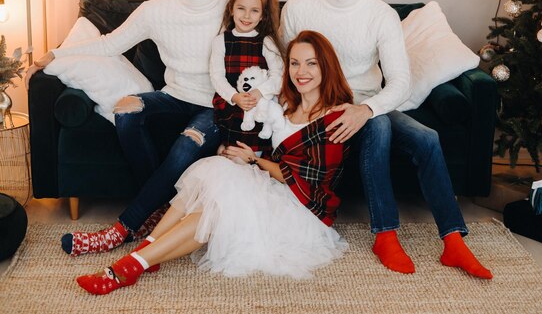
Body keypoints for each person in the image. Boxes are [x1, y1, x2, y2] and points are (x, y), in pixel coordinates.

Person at [280, 0, 492, 279]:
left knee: (427, 138)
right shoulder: (299, 9)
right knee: (378, 125)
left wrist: (364, 109)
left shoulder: (380, 14)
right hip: (322, 110)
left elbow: (400, 82)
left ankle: (454, 240)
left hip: (368, 104)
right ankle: (385, 234)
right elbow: (288, 69)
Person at [75, 30, 354, 295]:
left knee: (219, 208)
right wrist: (236, 152)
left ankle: (129, 266)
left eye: (311, 64)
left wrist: (252, 162)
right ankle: (147, 252)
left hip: (300, 205)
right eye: (294, 63)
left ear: (326, 67)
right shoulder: (284, 104)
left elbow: (312, 178)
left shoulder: (335, 117)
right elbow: (257, 138)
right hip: (269, 182)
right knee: (213, 174)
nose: (301, 72)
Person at [24, 0, 229, 256]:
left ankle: (123, 227)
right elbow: (108, 44)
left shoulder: (231, 7)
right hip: (174, 96)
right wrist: (56, 54)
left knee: (185, 144)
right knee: (125, 110)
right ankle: (156, 212)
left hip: (216, 106)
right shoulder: (155, 11)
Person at [209, 0, 283, 155]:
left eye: (254, 10)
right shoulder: (221, 41)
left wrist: (258, 93)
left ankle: (256, 161)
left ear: (263, 15)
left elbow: (279, 76)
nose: (247, 16)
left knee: (258, 136)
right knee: (232, 148)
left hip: (260, 101)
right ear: (231, 9)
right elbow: (216, 76)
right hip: (232, 100)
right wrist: (234, 96)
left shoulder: (266, 42)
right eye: (241, 8)